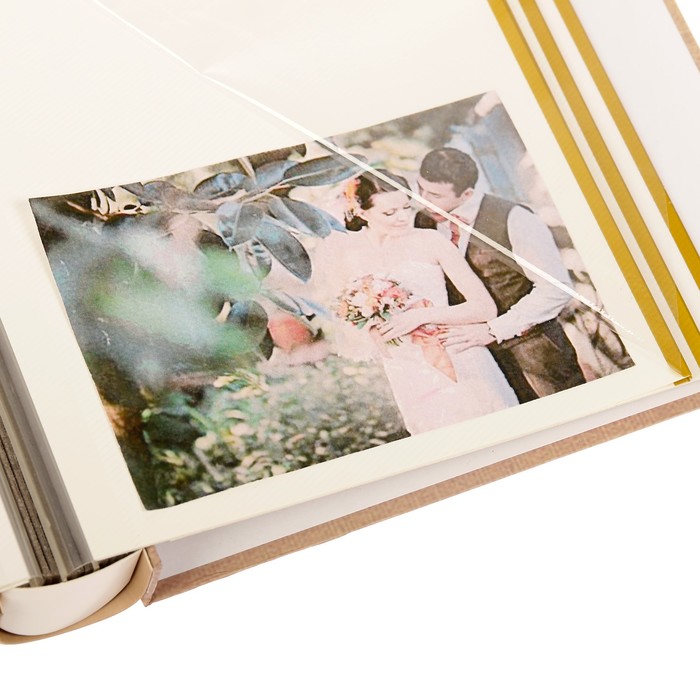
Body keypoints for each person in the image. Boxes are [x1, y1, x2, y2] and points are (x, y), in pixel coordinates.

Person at [320, 170, 518, 435]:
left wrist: (420, 316)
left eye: (406, 207)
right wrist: (370, 331)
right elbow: (345, 319)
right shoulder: (348, 254)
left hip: (456, 353)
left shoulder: (430, 241)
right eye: (389, 213)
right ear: (362, 212)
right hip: (405, 366)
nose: (402, 218)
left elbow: (484, 308)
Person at [416, 147, 586, 402]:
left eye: (435, 195)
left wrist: (494, 330)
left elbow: (555, 288)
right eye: (420, 189)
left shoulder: (515, 218)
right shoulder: (423, 222)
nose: (423, 200)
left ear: (467, 194)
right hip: (477, 362)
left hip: (536, 355)